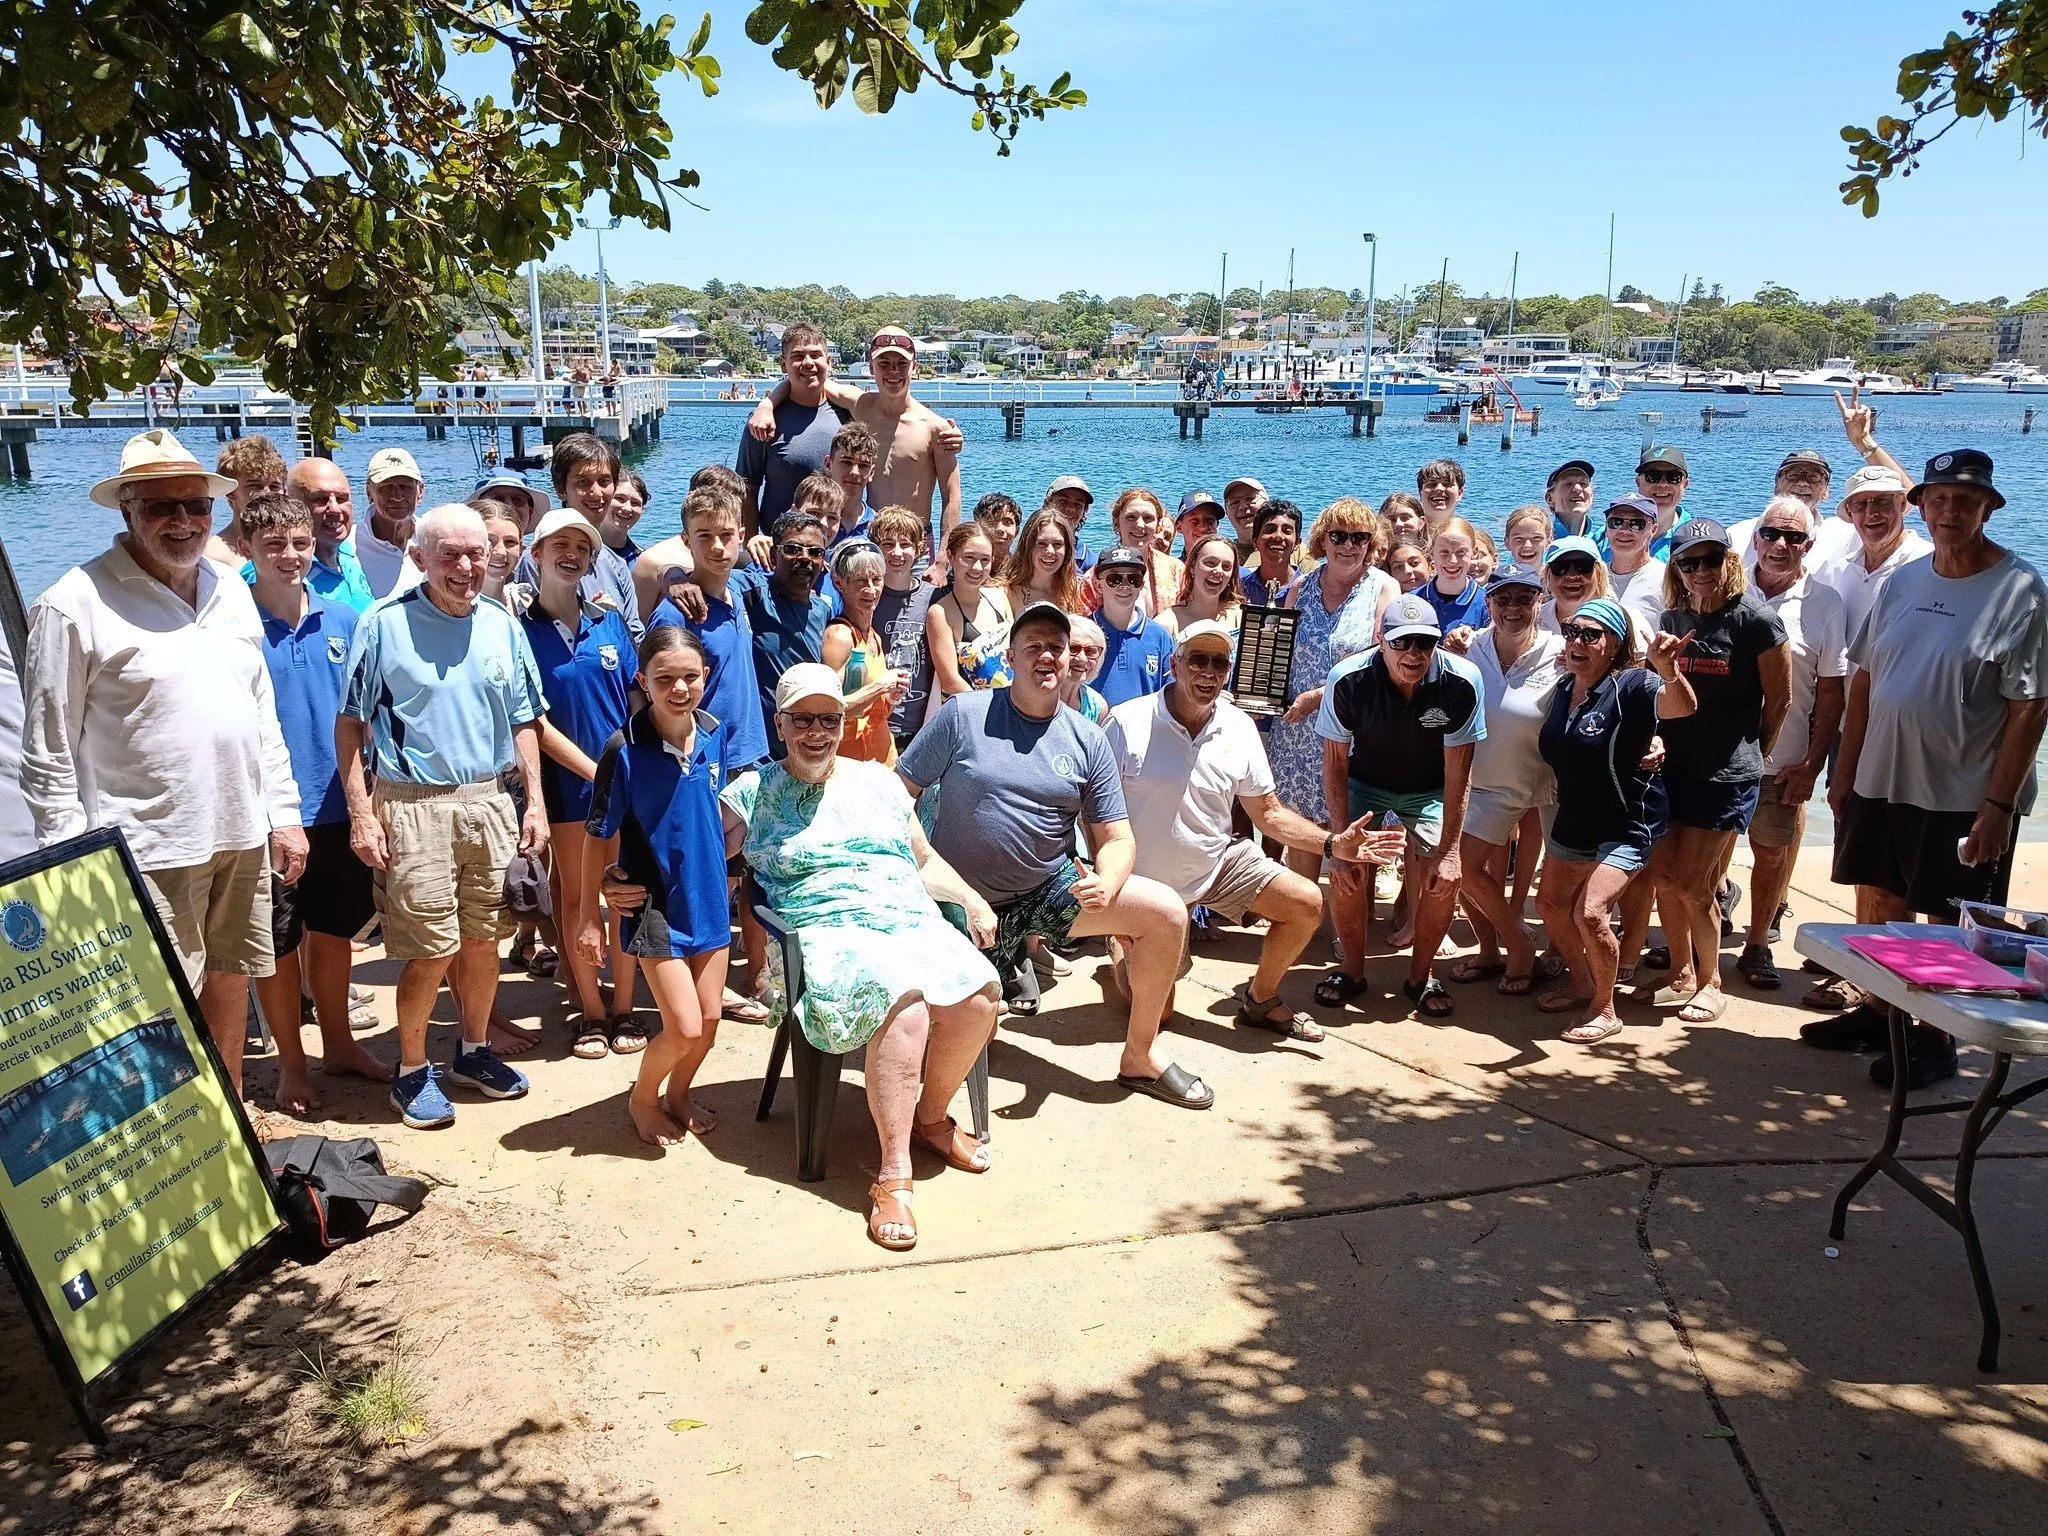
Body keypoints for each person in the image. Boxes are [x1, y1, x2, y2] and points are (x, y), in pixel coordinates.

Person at [22, 430, 305, 1096]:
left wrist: (283, 813)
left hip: (240, 832)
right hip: (144, 846)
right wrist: (74, 864)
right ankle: (170, 1139)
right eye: (160, 506)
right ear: (127, 510)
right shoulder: (73, 602)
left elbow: (259, 711)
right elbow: (47, 749)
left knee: (231, 981)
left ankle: (232, 1117)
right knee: (152, 1007)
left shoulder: (231, 585)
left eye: (195, 505)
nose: (182, 520)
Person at [726, 664, 1001, 1249]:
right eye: (803, 719)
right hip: (825, 933)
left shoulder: (879, 782)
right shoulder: (753, 792)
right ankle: (893, 1174)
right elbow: (691, 844)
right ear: (780, 724)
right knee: (905, 1004)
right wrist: (628, 877)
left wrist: (972, 900)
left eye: (829, 719)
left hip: (905, 919)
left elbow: (923, 862)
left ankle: (931, 1117)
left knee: (981, 993)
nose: (817, 732)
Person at [900, 604, 1206, 1109]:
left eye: (1056, 647)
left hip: (1046, 890)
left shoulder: (1087, 738)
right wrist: (928, 867)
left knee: (1166, 912)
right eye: (1034, 645)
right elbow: (898, 795)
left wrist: (1107, 880)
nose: (1047, 656)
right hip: (962, 904)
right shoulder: (963, 715)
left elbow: (1117, 838)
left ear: (1069, 660)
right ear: (1011, 657)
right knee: (967, 1040)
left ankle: (1141, 1056)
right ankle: (999, 974)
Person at [1823, 450, 2048, 1089]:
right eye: (1939, 498)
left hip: (1963, 791)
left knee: (1949, 923)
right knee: (1879, 898)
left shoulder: (2021, 589)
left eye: (1966, 501)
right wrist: (1846, 772)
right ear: (1920, 506)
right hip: (1882, 777)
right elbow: (1865, 677)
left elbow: (2031, 708)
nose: (1950, 511)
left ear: (1989, 509)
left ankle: (1936, 1038)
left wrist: (1998, 809)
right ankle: (1880, 1013)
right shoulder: (1903, 581)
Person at [336, 504, 548, 1129]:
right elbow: (350, 726)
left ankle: (473, 1052)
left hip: (489, 801)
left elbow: (524, 720)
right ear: (419, 557)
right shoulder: (383, 623)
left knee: (485, 939)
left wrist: (534, 801)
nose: (464, 566)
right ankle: (411, 1070)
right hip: (412, 805)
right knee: (430, 949)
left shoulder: (501, 623)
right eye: (449, 554)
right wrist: (360, 814)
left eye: (475, 553)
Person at [1107, 622, 1395, 1044]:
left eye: (1219, 663)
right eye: (1197, 660)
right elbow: (1097, 809)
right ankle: (1121, 946)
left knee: (1305, 902)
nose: (1208, 672)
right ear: (1174, 665)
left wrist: (1333, 844)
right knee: (1157, 1012)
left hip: (1215, 861)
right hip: (1147, 880)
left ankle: (1261, 999)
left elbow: (1269, 813)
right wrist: (1112, 883)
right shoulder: (1127, 721)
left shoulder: (1238, 725)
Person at [241, 493, 391, 1111]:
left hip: (338, 804)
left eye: (300, 543)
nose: (290, 555)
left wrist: (369, 800)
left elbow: (368, 714)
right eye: (273, 545)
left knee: (333, 932)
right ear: (247, 549)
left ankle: (339, 1043)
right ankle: (291, 1065)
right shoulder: (235, 626)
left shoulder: (345, 620)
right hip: (270, 814)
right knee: (278, 942)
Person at [579, 628, 738, 1147]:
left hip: (709, 900)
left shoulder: (714, 733)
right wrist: (589, 914)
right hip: (654, 906)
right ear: (642, 681)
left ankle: (678, 1094)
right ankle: (643, 1099)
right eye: (664, 678)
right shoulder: (622, 749)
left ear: (705, 677)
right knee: (684, 1026)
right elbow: (596, 836)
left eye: (690, 676)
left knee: (709, 1022)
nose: (679, 688)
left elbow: (713, 814)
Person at [1643, 518, 1790, 1026]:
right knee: (1663, 877)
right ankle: (1680, 973)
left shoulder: (1756, 620)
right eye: (1689, 562)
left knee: (1693, 883)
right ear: (1677, 568)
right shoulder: (1673, 617)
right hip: (1672, 770)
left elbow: (1780, 700)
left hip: (1726, 776)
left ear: (1729, 561)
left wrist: (1752, 756)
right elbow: (1660, 692)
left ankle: (1712, 982)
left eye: (1711, 559)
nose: (1700, 570)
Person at [1316, 594, 1484, 1018]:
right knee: (1346, 870)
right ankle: (1352, 970)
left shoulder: (1462, 681)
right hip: (1365, 781)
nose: (1413, 654)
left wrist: (1450, 851)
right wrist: (1341, 843)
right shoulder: (1347, 679)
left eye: (1424, 643)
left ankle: (1420, 976)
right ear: (1381, 640)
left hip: (1430, 788)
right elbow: (1335, 761)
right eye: (1401, 642)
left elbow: (1458, 772)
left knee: (1443, 875)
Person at [1535, 600, 1696, 1041]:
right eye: (1572, 631)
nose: (1578, 641)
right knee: (1550, 904)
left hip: (1628, 820)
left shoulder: (1632, 684)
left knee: (1591, 913)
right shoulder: (1564, 687)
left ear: (1614, 644)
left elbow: (1680, 708)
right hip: (1576, 815)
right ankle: (1581, 983)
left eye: (1591, 635)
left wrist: (1668, 669)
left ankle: (1605, 1009)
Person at [519, 508, 637, 1057]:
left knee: (626, 894)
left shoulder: (609, 623)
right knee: (576, 898)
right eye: (559, 545)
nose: (571, 555)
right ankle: (590, 1010)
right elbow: (534, 723)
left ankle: (624, 1007)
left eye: (582, 548)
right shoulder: (520, 632)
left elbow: (636, 700)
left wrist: (637, 772)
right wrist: (596, 773)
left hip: (625, 783)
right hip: (569, 789)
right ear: (536, 554)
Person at [1734, 496, 1847, 991]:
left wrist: (1812, 764)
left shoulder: (1825, 603)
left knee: (1772, 856)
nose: (1780, 545)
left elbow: (1831, 692)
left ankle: (1757, 943)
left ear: (1809, 545)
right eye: (1771, 534)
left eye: (1794, 537)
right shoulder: (1727, 589)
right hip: (1720, 758)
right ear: (1755, 538)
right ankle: (1694, 940)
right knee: (1704, 856)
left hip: (1781, 761)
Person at [746, 327, 964, 568]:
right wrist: (766, 405)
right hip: (870, 538)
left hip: (914, 544)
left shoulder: (936, 428)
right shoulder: (861, 406)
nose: (893, 371)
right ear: (871, 368)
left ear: (914, 367)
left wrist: (943, 559)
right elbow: (808, 377)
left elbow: (952, 498)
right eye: (884, 364)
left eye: (901, 364)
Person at [1448, 568, 1565, 994]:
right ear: (1489, 603)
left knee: (1463, 865)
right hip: (1478, 781)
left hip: (1537, 781)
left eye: (1523, 598)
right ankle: (1494, 949)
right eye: (1503, 599)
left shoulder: (1561, 651)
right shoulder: (1469, 646)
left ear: (1540, 601)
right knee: (1459, 869)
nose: (1512, 608)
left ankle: (1528, 947)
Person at [1267, 498, 1396, 865]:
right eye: (1338, 536)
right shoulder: (1300, 587)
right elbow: (1280, 652)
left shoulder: (1384, 588)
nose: (1348, 546)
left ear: (1371, 543)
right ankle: (1307, 901)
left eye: (1359, 537)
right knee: (1304, 830)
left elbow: (1383, 660)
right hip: (1297, 729)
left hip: (1353, 729)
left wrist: (1320, 695)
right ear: (1322, 540)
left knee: (1355, 834)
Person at [734, 321, 848, 534]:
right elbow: (747, 489)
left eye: (815, 355)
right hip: (778, 544)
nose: (808, 363)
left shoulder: (849, 415)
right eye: (798, 356)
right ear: (783, 364)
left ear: (829, 361)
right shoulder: (762, 422)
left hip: (837, 542)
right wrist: (751, 542)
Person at [524, 432, 641, 632]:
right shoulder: (536, 560)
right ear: (561, 489)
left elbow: (635, 635)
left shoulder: (617, 565)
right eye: (583, 482)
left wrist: (612, 621)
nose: (596, 492)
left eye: (604, 481)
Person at [741, 510, 834, 759]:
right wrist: (672, 575)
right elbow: (710, 572)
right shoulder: (753, 593)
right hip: (758, 753)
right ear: (774, 555)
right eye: (793, 549)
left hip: (806, 749)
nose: (804, 558)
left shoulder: (824, 611)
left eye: (815, 552)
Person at [821, 541, 906, 765]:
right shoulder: (840, 636)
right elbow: (829, 710)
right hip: (850, 763)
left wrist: (891, 696)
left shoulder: (873, 636)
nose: (871, 589)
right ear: (839, 583)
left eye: (876, 580)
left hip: (882, 757)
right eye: (860, 581)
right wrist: (882, 685)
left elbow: (872, 707)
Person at [870, 505, 938, 752]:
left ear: (919, 549)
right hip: (877, 723)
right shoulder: (868, 597)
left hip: (922, 726)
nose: (896, 552)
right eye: (887, 544)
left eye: (905, 544)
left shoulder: (935, 597)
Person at [925, 520, 1014, 707]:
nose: (977, 568)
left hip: (1012, 705)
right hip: (972, 710)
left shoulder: (1000, 598)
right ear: (950, 556)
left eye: (985, 560)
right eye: (969, 558)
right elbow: (950, 681)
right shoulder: (940, 613)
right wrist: (993, 710)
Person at [285, 456, 378, 612]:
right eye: (320, 499)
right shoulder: (280, 570)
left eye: (342, 499)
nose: (335, 508)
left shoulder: (350, 553)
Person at [1090, 546, 1178, 706]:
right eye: (1114, 579)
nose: (1124, 585)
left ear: (1142, 585)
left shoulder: (1160, 636)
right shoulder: (1084, 633)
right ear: (1098, 585)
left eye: (1133, 579)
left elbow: (1171, 691)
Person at [1079, 489, 1183, 617]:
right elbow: (1085, 625)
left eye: (1148, 518)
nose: (1140, 525)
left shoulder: (1176, 570)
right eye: (1131, 517)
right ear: (1116, 523)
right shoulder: (1094, 578)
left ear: (1157, 525)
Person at [356, 447, 425, 598]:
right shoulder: (349, 544)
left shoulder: (433, 539)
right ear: (369, 492)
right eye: (386, 487)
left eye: (406, 487)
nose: (397, 496)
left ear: (420, 491)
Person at [208, 434, 288, 562]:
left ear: (285, 491)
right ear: (230, 492)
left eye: (274, 487)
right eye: (255, 486)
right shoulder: (214, 556)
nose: (267, 494)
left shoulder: (298, 548)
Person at [1599, 493, 1669, 639]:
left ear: (1653, 530)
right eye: (1616, 522)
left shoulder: (1666, 579)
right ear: (1606, 528)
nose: (1624, 530)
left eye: (1636, 524)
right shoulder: (1594, 577)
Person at [997, 506, 1085, 616]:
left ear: (1067, 549)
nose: (1050, 551)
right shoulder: (1005, 594)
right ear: (1028, 547)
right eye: (1041, 543)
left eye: (1057, 544)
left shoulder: (1077, 592)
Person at [1420, 517, 1488, 639]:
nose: (1452, 560)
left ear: (1474, 552)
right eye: (1444, 552)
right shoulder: (1413, 599)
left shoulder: (1487, 603)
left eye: (1461, 552)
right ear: (1432, 551)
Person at [1170, 534, 1245, 635]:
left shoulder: (1240, 618)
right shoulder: (1169, 623)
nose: (1219, 571)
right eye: (1210, 563)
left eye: (1226, 566)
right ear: (1192, 566)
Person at [1536, 534, 1611, 634]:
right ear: (1548, 576)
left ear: (1599, 573)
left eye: (1583, 566)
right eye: (1560, 567)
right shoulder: (1533, 619)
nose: (1572, 575)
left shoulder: (1619, 619)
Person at [822, 423, 880, 546]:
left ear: (871, 472)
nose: (855, 472)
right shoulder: (808, 518)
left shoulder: (878, 527)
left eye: (863, 466)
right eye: (846, 463)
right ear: (828, 464)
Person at [1240, 500, 1301, 606]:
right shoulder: (1240, 588)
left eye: (1287, 531)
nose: (1278, 536)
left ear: (1297, 543)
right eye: (1270, 530)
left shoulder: (1308, 589)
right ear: (1255, 541)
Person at [1634, 445, 1689, 556]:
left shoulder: (1696, 538)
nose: (1663, 484)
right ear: (1638, 482)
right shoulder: (1610, 535)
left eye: (1674, 477)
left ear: (1685, 484)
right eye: (1653, 476)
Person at [1544, 459, 1606, 554]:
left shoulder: (1607, 542)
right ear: (1550, 498)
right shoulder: (1540, 546)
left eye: (1583, 483)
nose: (1577, 489)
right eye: (1568, 484)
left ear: (1592, 495)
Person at [1060, 615, 1110, 724]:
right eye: (1073, 648)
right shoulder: (1033, 696)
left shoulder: (1097, 707)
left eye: (1090, 651)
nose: (1082, 658)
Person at [601, 469, 649, 564]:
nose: (627, 508)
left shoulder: (642, 561)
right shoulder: (582, 551)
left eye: (635, 503)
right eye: (620, 498)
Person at [1173, 489, 1224, 558]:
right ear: (1179, 527)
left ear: (1217, 525)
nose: (1203, 528)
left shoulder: (1233, 563)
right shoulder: (1171, 564)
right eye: (1194, 520)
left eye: (1210, 520)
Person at [1222, 475, 1268, 551]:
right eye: (1235, 502)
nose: (1242, 506)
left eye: (1250, 499)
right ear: (1226, 512)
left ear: (1267, 504)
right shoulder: (1223, 554)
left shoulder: (1286, 550)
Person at [972, 491, 1022, 561]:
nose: (999, 528)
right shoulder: (966, 565)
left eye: (1007, 522)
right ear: (977, 527)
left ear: (1017, 531)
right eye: (991, 521)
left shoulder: (1023, 566)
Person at [1503, 505, 1549, 577]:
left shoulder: (1558, 580)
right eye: (1518, 538)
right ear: (1507, 543)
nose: (1527, 545)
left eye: (1536, 538)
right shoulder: (1499, 580)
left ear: (1548, 541)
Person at [1416, 458, 1465, 525]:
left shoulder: (1467, 532)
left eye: (1447, 484)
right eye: (1431, 484)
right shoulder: (1405, 530)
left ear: (1459, 493)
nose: (1439, 489)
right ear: (1420, 493)